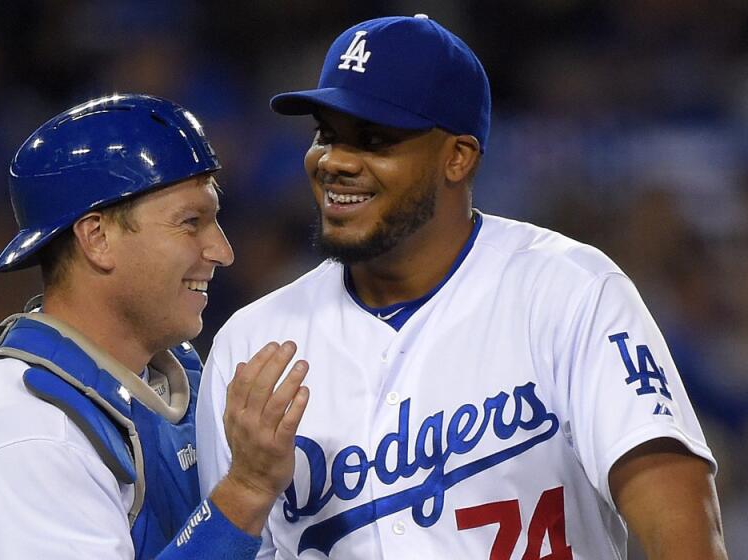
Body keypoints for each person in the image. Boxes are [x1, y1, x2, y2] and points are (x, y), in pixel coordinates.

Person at [196, 15, 728, 560]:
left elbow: (682, 523)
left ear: (458, 157)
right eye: (326, 135)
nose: (336, 162)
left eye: (374, 139)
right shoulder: (251, 342)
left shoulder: (568, 293)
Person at [0, 94, 310, 559]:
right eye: (190, 222)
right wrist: (246, 491)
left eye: (214, 220)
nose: (222, 251)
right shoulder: (25, 424)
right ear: (97, 238)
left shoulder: (171, 376)